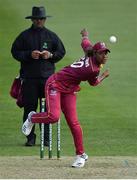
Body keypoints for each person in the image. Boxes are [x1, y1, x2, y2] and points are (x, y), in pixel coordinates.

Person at [22, 28, 110, 167]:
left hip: (69, 89)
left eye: (106, 52)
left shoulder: (89, 52)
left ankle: (80, 155)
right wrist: (103, 76)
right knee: (53, 117)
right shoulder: (93, 70)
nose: (105, 55)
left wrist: (85, 35)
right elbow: (93, 83)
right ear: (95, 53)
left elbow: (85, 43)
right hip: (55, 84)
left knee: (73, 122)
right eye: (102, 53)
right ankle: (32, 117)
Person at [11, 6, 66, 146]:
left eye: (41, 19)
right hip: (29, 79)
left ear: (44, 19)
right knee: (29, 108)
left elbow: (61, 52)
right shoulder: (24, 36)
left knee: (47, 110)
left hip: (47, 79)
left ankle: (46, 138)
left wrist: (51, 55)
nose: (39, 21)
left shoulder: (51, 36)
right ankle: (30, 138)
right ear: (33, 19)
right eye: (36, 19)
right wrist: (29, 54)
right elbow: (15, 52)